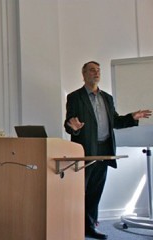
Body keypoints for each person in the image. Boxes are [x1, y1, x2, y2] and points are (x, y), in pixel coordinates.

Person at [64, 61, 152, 239]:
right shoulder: (75, 97)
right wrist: (74, 127)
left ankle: (90, 227)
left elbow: (116, 121)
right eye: (91, 70)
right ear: (84, 74)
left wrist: (132, 117)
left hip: (104, 149)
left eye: (98, 70)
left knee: (96, 190)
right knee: (81, 190)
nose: (96, 73)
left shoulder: (107, 98)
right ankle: (75, 225)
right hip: (86, 150)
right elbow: (69, 123)